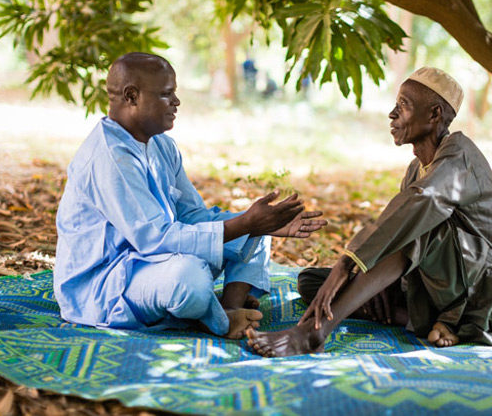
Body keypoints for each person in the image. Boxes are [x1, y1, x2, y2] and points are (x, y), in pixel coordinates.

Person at [247, 67, 492, 356]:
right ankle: (435, 322)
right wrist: (373, 277)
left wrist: (346, 265)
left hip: (489, 297)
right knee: (312, 283)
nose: (392, 114)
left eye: (404, 105)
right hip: (440, 289)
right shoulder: (416, 169)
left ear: (434, 114)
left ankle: (313, 334)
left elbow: (419, 206)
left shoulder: (460, 156)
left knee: (419, 226)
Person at [54, 52, 326, 339]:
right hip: (107, 281)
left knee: (257, 229)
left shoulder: (161, 145)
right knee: (190, 281)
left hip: (154, 261)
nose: (176, 102)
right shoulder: (110, 157)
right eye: (166, 94)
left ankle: (230, 307)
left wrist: (255, 225)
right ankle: (217, 321)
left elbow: (193, 214)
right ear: (131, 97)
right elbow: (154, 239)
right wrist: (245, 224)